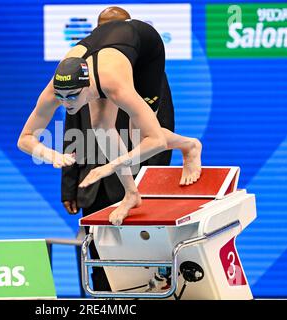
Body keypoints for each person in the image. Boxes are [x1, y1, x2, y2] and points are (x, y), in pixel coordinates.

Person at [18, 19, 202, 227]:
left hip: (146, 49)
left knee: (141, 135)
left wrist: (110, 166)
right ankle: (132, 194)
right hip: (101, 52)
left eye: (71, 97)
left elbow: (157, 141)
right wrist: (50, 154)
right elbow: (25, 139)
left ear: (88, 88)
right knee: (100, 127)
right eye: (60, 97)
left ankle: (190, 146)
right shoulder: (54, 90)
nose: (65, 103)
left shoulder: (115, 86)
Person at [61, 7, 175, 292]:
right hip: (93, 183)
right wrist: (69, 183)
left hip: (134, 179)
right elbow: (72, 126)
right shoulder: (80, 71)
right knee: (95, 259)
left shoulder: (149, 71)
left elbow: (161, 127)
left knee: (141, 262)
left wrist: (150, 181)